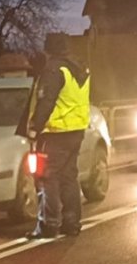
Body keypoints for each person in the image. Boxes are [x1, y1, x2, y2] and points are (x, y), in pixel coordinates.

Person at [18, 33, 91, 239]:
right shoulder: (80, 69)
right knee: (69, 177)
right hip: (76, 130)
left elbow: (46, 101)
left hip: (54, 132)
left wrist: (34, 128)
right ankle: (71, 222)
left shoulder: (53, 69)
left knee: (46, 177)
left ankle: (48, 224)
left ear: (48, 50)